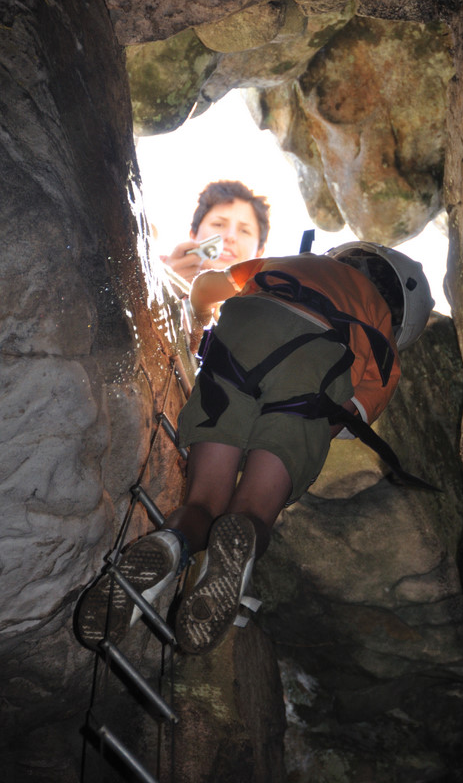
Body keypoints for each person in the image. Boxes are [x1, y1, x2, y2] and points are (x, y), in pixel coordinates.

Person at [76, 242, 434, 656]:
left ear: (348, 256)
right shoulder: (384, 349)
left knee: (204, 499)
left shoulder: (295, 262)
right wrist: (282, 434)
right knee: (252, 511)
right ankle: (241, 532)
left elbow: (207, 287)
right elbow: (340, 419)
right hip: (320, 359)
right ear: (400, 321)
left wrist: (199, 317)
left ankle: (171, 542)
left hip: (241, 336)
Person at [159, 180, 270, 283]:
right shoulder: (151, 267)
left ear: (259, 253)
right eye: (218, 224)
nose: (230, 236)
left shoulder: (271, 300)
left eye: (244, 231)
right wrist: (164, 283)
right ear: (193, 233)